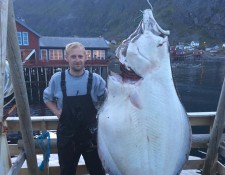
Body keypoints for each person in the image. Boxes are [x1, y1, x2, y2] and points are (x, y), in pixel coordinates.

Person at [43, 42, 106, 175]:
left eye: (80, 56)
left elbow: (107, 99)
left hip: (91, 136)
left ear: (85, 57)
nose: (77, 60)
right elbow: (47, 98)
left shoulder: (95, 80)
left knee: (97, 171)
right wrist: (56, 112)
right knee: (67, 172)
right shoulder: (57, 79)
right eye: (73, 57)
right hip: (67, 136)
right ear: (66, 58)